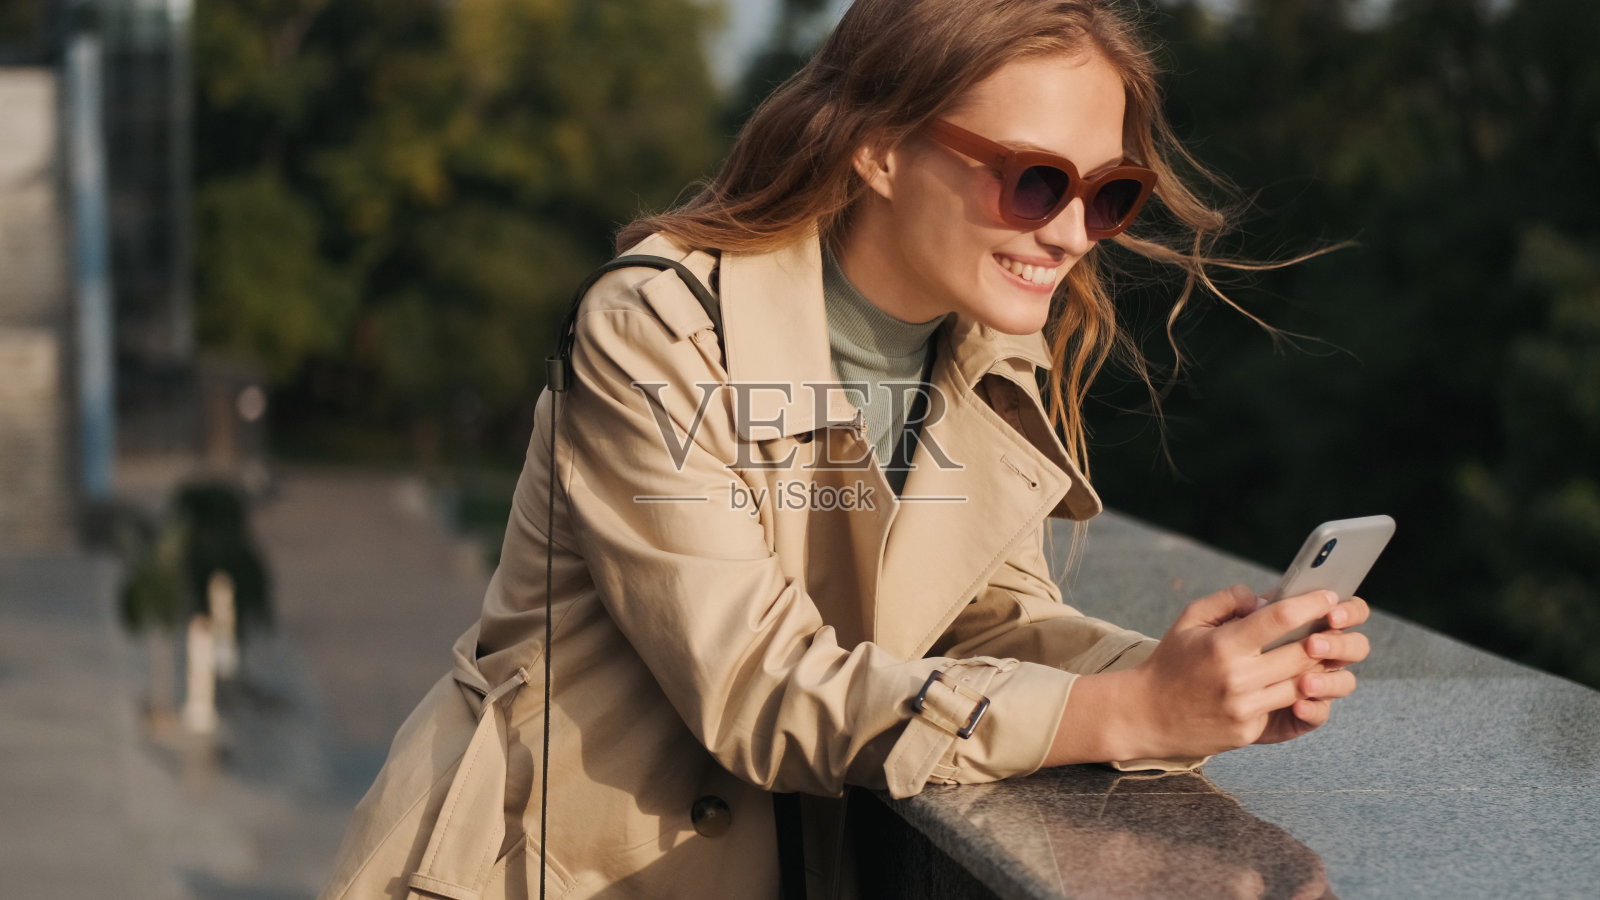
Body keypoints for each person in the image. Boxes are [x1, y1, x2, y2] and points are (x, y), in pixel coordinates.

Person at [322, 1, 1371, 898]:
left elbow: (979, 622)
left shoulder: (992, 339)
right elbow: (758, 686)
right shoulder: (656, 327)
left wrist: (1184, 682)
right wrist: (1125, 712)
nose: (1070, 234)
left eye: (1108, 193)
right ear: (877, 147)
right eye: (1035, 181)